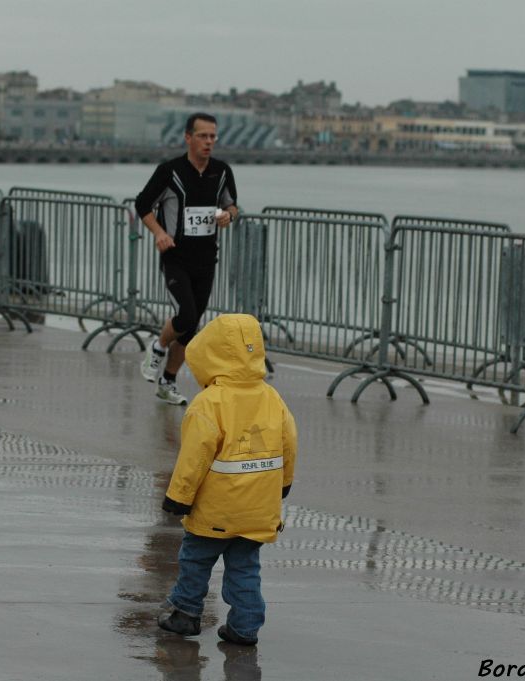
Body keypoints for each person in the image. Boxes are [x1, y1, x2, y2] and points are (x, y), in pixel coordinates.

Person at [157, 314, 296, 646]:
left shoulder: (209, 403)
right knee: (245, 568)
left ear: (210, 353)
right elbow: (289, 442)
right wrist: (283, 485)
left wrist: (178, 498)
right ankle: (245, 627)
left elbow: (194, 457)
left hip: (215, 510)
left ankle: (186, 614)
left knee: (195, 560)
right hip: (258, 508)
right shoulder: (271, 397)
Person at [135, 112, 239, 405]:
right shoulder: (169, 172)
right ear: (188, 137)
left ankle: (167, 382)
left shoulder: (221, 172)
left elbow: (232, 205)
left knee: (191, 329)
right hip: (175, 258)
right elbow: (142, 204)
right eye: (203, 136)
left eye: (212, 136)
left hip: (206, 259)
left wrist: (227, 216)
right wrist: (158, 233)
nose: (209, 142)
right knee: (186, 316)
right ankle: (157, 346)